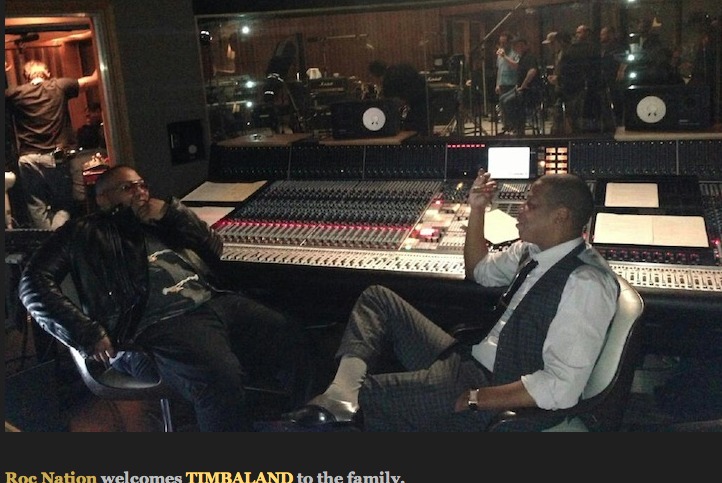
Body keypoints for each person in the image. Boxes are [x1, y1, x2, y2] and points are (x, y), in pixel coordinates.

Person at [280, 171, 619, 431]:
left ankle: (334, 412)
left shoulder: (585, 284)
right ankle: (341, 395)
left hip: (488, 384)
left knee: (361, 399)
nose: (520, 211)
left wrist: (476, 399)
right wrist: (477, 208)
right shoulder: (534, 251)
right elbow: (479, 270)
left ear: (560, 216)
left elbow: (562, 387)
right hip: (469, 357)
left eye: (530, 205)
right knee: (377, 298)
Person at [18, 165, 308, 432]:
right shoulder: (82, 232)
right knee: (219, 378)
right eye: (128, 188)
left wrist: (173, 214)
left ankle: (305, 424)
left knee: (291, 335)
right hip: (156, 323)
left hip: (213, 302)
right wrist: (84, 331)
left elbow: (213, 247)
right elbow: (31, 284)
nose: (141, 192)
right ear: (103, 198)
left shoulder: (160, 221)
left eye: (143, 185)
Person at [5, 60, 99, 230]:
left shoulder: (16, 93)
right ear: (47, 73)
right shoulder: (59, 86)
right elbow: (93, 80)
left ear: (26, 76)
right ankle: (58, 237)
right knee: (63, 204)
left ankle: (46, 239)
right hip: (55, 157)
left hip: (28, 158)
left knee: (36, 206)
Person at [368, 60, 429, 136]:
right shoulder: (403, 66)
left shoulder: (388, 80)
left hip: (418, 103)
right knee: (425, 128)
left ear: (375, 73)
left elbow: (393, 103)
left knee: (412, 128)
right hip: (427, 96)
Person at [498, 37, 542, 135]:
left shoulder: (530, 57)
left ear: (526, 46)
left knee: (508, 101)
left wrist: (523, 85)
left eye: (520, 45)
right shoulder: (522, 57)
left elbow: (532, 71)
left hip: (529, 91)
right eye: (517, 46)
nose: (518, 48)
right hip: (520, 88)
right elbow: (517, 67)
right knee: (502, 99)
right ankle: (512, 125)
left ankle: (518, 126)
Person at [494, 31, 519, 132]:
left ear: (509, 43)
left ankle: (514, 125)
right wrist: (497, 84)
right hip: (503, 83)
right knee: (502, 106)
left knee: (510, 106)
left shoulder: (515, 53)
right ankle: (506, 125)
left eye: (504, 43)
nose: (502, 45)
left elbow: (516, 66)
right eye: (501, 43)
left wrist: (505, 56)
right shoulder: (499, 55)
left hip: (513, 84)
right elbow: (499, 70)